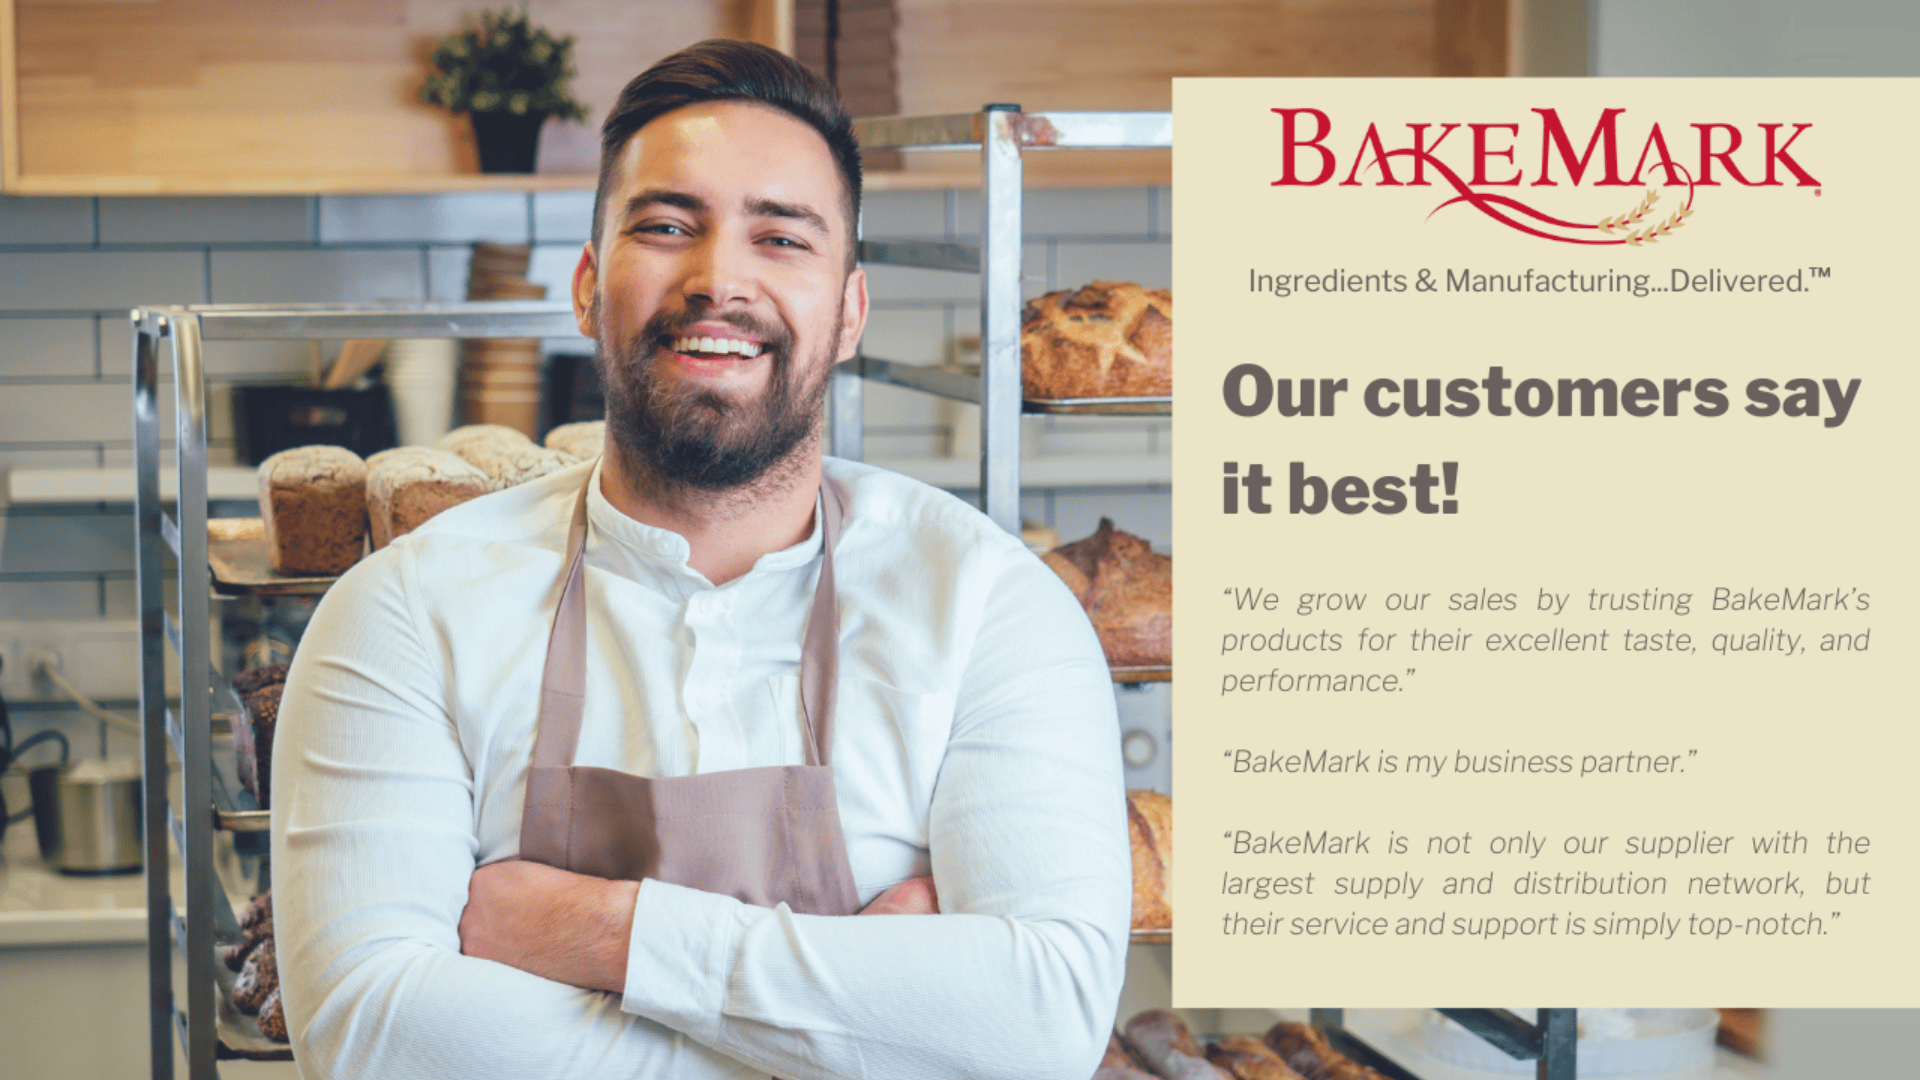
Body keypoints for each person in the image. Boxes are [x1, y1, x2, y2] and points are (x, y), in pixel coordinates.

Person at [271, 39, 1131, 1080]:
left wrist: (598, 934)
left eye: (782, 237)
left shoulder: (991, 607)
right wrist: (873, 1008)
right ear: (588, 288)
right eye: (669, 226)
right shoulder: (402, 613)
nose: (721, 278)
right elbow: (367, 1035)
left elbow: (1040, 1031)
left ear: (850, 310)